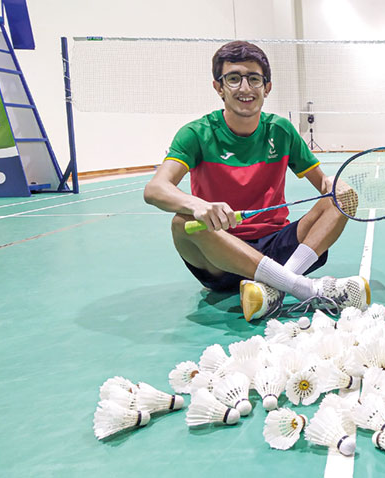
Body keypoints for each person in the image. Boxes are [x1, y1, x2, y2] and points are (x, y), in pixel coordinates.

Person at [144, 41, 369, 321]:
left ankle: (272, 287)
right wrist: (197, 205)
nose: (245, 88)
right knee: (182, 223)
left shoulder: (281, 131)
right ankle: (305, 288)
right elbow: (155, 189)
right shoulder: (197, 133)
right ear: (219, 87)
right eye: (234, 78)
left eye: (254, 79)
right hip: (222, 251)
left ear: (267, 87)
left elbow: (323, 183)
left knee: (343, 199)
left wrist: (333, 182)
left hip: (277, 246)